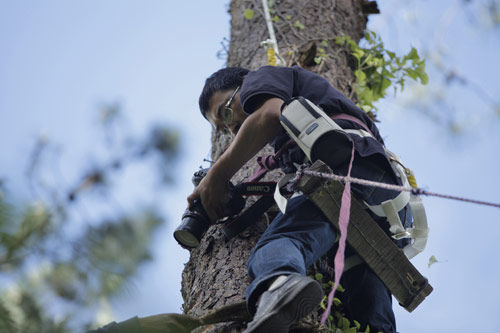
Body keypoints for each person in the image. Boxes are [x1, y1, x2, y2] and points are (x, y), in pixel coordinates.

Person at [188, 65, 412, 333]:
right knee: (365, 305)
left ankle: (280, 286)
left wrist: (216, 175)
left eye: (226, 111)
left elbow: (268, 114)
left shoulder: (261, 77)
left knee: (281, 242)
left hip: (344, 165)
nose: (232, 127)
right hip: (380, 200)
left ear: (244, 83)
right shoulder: (295, 134)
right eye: (223, 129)